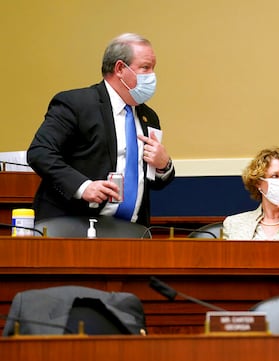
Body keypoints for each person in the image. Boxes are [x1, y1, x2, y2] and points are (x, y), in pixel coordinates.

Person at [27, 33, 174, 226]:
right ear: (120, 68)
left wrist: (164, 165)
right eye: (145, 68)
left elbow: (152, 181)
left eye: (153, 68)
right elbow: (40, 153)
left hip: (131, 231)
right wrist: (83, 186)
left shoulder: (149, 117)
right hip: (72, 226)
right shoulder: (76, 104)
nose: (152, 76)